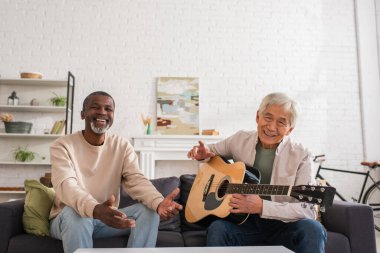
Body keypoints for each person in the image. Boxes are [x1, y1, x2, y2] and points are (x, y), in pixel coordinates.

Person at [187, 92, 326, 253]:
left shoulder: (302, 155)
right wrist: (202, 154)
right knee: (217, 228)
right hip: (244, 223)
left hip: (285, 225)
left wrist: (262, 207)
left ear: (290, 129)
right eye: (268, 118)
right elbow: (211, 152)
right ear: (257, 117)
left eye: (281, 122)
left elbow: (306, 209)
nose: (272, 127)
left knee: (313, 229)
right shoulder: (239, 139)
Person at [49, 91, 182, 253]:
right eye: (95, 107)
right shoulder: (62, 145)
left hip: (106, 219)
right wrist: (95, 209)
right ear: (83, 114)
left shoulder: (122, 146)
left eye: (108, 109)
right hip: (68, 219)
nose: (102, 112)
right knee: (76, 214)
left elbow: (136, 180)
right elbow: (67, 186)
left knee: (149, 211)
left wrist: (158, 202)